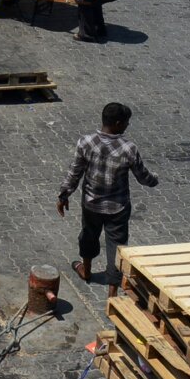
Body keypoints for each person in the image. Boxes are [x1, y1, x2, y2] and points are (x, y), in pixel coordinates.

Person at [57, 102, 158, 293]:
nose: (128, 126)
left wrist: (64, 195)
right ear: (118, 123)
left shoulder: (85, 142)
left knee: (88, 236)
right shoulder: (129, 148)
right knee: (117, 246)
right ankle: (112, 292)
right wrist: (155, 180)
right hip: (118, 208)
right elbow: (143, 177)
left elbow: (74, 172)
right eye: (127, 122)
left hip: (91, 204)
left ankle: (86, 271)